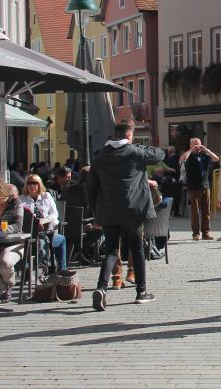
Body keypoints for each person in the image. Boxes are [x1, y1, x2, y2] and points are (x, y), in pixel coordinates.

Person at [89, 121, 165, 311]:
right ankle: (141, 292)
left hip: (109, 212)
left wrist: (95, 210)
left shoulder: (100, 157)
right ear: (129, 137)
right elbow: (159, 154)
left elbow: (90, 186)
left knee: (112, 251)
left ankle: (101, 288)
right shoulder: (134, 152)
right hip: (133, 211)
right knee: (137, 250)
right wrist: (137, 145)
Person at [19, 174, 68, 273]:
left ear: (39, 185)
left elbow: (55, 214)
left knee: (60, 239)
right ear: (26, 185)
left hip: (47, 229)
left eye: (35, 183)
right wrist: (34, 222)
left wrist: (42, 221)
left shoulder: (46, 196)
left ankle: (62, 270)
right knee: (53, 240)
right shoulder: (21, 199)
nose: (32, 186)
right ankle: (44, 265)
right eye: (29, 183)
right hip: (29, 233)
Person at [181, 138, 219, 241]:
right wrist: (191, 150)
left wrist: (206, 149)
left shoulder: (204, 155)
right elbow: (182, 159)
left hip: (205, 186)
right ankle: (195, 233)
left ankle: (206, 232)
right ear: (191, 145)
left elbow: (216, 159)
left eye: (199, 145)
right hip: (193, 187)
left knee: (206, 211)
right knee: (195, 212)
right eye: (195, 145)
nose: (197, 147)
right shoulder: (189, 156)